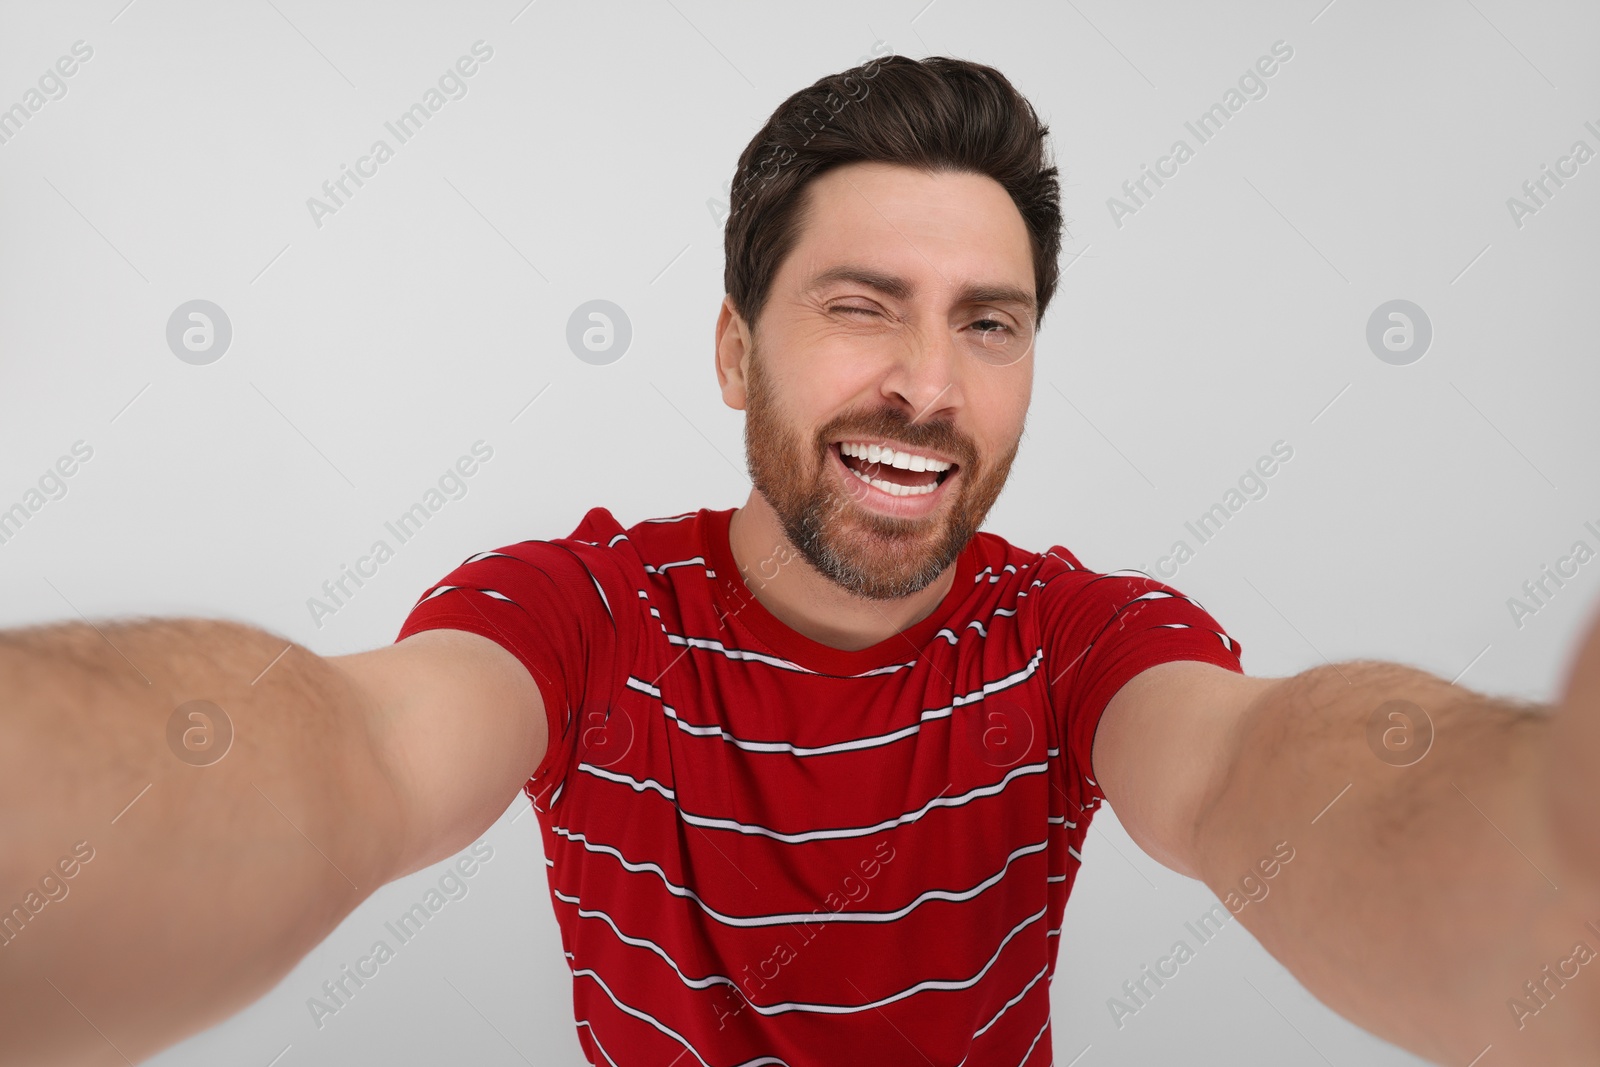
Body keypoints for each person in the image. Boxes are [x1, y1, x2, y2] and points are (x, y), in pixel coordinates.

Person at [3, 53, 1598, 1067]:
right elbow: (342, 755)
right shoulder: (582, 613)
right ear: (731, 350)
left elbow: (1267, 779)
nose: (928, 381)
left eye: (989, 323)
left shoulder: (1078, 637)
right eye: (861, 304)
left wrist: (1552, 844)